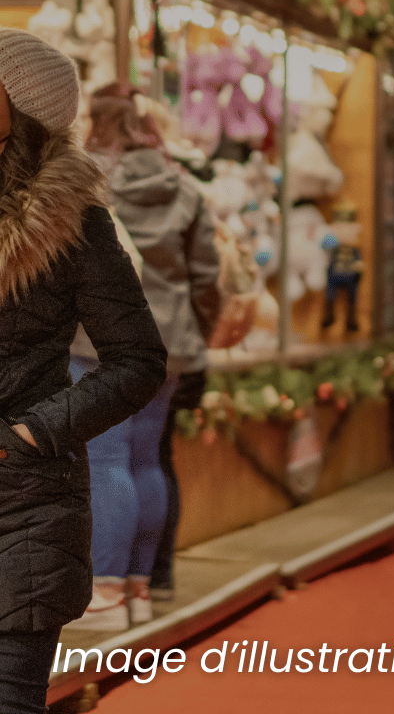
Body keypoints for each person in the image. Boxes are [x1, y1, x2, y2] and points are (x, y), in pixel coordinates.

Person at [0, 29, 166, 712]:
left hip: (24, 512)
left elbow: (137, 359)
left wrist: (32, 435)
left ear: (21, 109)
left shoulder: (71, 219)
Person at [68, 84, 221, 629]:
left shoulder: (86, 182)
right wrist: (191, 335)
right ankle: (138, 586)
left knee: (106, 461)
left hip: (101, 343)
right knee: (145, 460)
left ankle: (105, 593)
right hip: (170, 345)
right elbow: (207, 278)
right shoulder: (185, 188)